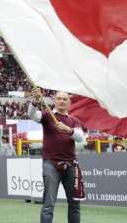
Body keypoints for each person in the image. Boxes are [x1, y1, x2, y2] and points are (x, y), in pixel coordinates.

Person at [27, 90, 85, 223]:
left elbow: (81, 138)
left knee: (75, 204)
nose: (62, 101)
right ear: (54, 101)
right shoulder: (48, 115)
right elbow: (32, 115)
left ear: (69, 103)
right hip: (51, 164)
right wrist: (35, 101)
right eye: (59, 98)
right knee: (48, 205)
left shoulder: (74, 120)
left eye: (65, 99)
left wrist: (68, 130)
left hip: (71, 165)